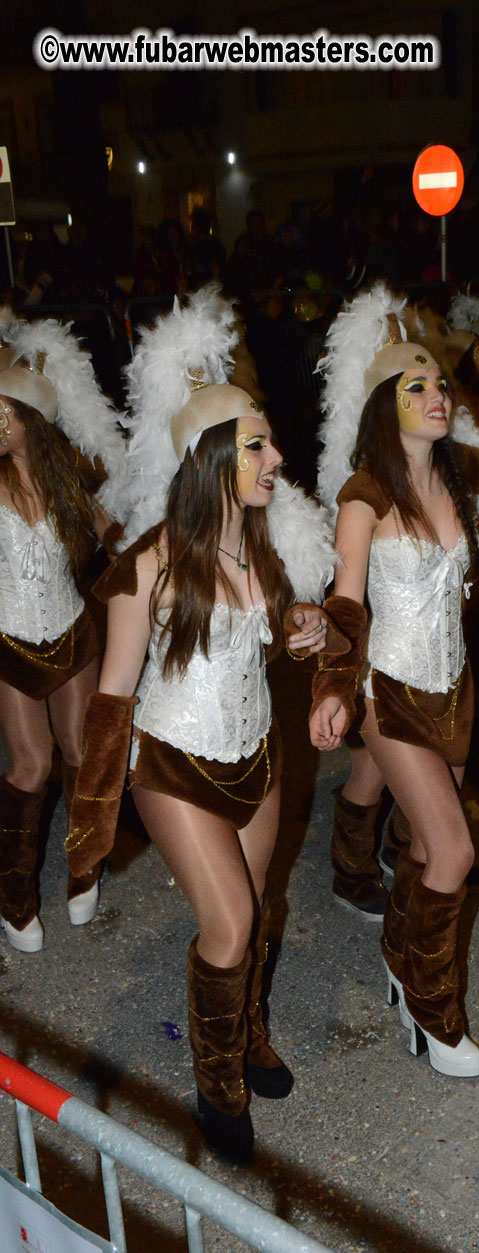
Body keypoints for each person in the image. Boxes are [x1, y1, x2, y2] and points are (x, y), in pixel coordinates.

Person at [66, 287, 336, 1162]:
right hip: (175, 764)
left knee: (256, 916)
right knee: (226, 924)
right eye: (258, 445)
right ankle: (216, 1079)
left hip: (257, 755)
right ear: (214, 457)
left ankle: (245, 1030)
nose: (276, 457)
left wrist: (303, 629)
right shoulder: (149, 564)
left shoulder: (260, 547)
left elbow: (270, 638)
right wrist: (91, 823)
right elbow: (111, 698)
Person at [310, 284, 479, 1079]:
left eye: (439, 384)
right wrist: (332, 686)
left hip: (456, 690)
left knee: (430, 846)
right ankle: (432, 1009)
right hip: (388, 694)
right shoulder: (363, 497)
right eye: (414, 387)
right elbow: (346, 606)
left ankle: (400, 955)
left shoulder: (462, 474)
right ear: (382, 409)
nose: (436, 395)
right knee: (457, 849)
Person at [0, 314, 128, 951]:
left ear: (33, 423)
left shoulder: (68, 480)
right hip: (10, 643)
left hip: (72, 632)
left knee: (81, 753)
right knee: (33, 765)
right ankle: (14, 889)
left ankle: (85, 867)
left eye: (6, 412)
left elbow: (113, 532)